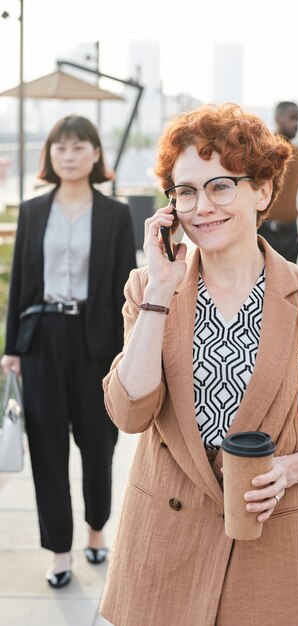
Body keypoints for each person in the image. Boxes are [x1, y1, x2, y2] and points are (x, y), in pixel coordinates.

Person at [99, 103, 298, 626]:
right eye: (187, 191)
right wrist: (158, 291)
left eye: (221, 186)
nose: (203, 207)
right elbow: (129, 415)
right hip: (163, 547)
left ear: (262, 191)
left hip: (269, 548)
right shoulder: (148, 288)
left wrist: (288, 469)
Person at [1, 115, 136, 588]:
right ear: (49, 156)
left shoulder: (116, 215)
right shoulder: (34, 210)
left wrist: (129, 351)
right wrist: (12, 347)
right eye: (60, 148)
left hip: (97, 343)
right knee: (47, 447)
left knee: (99, 445)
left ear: (96, 154)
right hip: (41, 340)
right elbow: (20, 281)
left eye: (79, 146)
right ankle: (59, 551)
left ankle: (97, 530)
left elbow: (127, 286)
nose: (69, 155)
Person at [258, 100, 298, 263]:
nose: (297, 124)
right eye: (293, 118)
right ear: (278, 118)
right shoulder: (260, 151)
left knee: (288, 286)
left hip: (289, 235)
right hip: (261, 232)